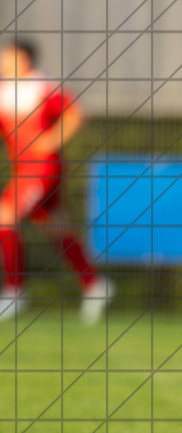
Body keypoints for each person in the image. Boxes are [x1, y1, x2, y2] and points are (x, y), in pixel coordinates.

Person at [0, 40, 113, 324]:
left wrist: (51, 140)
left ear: (25, 59)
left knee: (5, 216)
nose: (3, 61)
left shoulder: (40, 88)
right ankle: (94, 284)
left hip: (41, 169)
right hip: (23, 170)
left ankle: (15, 292)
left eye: (9, 56)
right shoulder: (5, 91)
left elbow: (75, 114)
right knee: (54, 227)